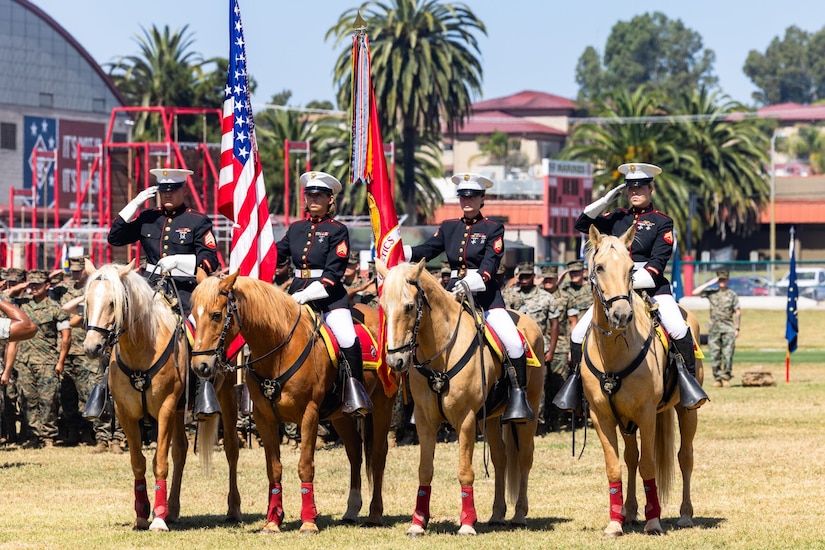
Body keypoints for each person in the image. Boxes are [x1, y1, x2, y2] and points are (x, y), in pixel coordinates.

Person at [555, 162, 708, 413]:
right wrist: (604, 200)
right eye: (630, 188)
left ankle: (687, 383)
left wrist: (626, 280)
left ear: (651, 189)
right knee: (576, 334)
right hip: (614, 293)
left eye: (640, 188)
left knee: (680, 329)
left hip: (652, 289)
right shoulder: (616, 218)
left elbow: (658, 263)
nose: (635, 192)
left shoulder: (662, 222)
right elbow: (582, 225)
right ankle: (576, 387)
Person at [405, 172, 533, 423]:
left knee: (514, 344)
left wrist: (471, 282)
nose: (467, 200)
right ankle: (419, 400)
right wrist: (399, 247)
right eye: (463, 196)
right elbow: (427, 251)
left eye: (472, 196)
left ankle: (518, 396)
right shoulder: (449, 226)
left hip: (485, 296)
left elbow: (490, 264)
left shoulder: (493, 228)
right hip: (452, 294)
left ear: (482, 198)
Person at [107, 167, 221, 420]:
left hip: (182, 291)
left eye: (172, 190)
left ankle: (203, 391)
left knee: (195, 330)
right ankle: (106, 390)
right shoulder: (148, 217)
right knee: (117, 328)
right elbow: (114, 237)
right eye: (163, 190)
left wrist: (180, 261)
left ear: (182, 190)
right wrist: (135, 203)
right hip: (148, 288)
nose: (167, 195)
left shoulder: (197, 221)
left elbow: (210, 260)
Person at [275, 171, 371, 417]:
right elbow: (276, 255)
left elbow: (333, 272)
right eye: (310, 194)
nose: (313, 199)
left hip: (329, 299)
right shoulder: (296, 229)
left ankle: (355, 394)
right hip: (295, 292)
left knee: (347, 337)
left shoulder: (338, 230)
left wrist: (306, 296)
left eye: (319, 195)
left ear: (330, 199)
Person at [7, 270, 70, 448]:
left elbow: (66, 337)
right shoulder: (22, 306)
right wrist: (20, 286)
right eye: (31, 284)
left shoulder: (55, 308)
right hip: (24, 361)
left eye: (38, 284)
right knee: (27, 399)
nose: (33, 288)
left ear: (47, 286)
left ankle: (48, 436)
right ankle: (33, 436)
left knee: (48, 400)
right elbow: (3, 297)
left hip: (47, 361)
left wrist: (60, 361)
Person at [503, 262, 559, 433]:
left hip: (539, 346)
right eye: (522, 276)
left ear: (534, 277)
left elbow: (554, 325)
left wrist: (551, 350)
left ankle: (538, 422)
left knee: (538, 387)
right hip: (515, 346)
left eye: (528, 276)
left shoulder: (546, 297)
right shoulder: (511, 295)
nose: (525, 279)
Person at [693, 270, 741, 387]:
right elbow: (695, 292)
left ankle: (726, 378)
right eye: (720, 279)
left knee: (728, 354)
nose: (722, 282)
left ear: (727, 280)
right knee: (715, 355)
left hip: (728, 328)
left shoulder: (732, 294)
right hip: (714, 328)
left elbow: (738, 312)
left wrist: (737, 328)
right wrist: (710, 282)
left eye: (724, 279)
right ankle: (718, 378)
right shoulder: (712, 292)